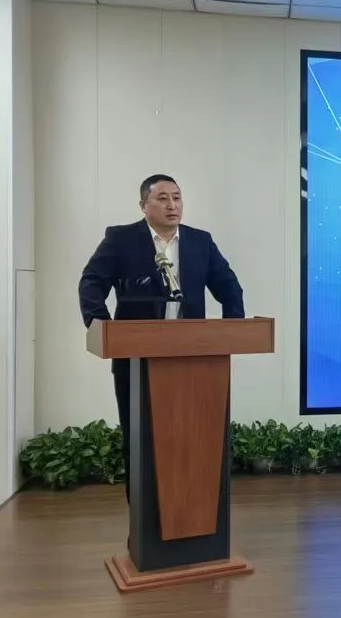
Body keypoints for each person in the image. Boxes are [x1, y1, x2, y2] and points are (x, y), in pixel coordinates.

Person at [78, 174, 245, 510]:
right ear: (144, 205)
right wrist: (104, 328)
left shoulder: (200, 242)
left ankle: (190, 517)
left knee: (191, 437)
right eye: (163, 198)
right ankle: (143, 522)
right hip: (136, 359)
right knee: (140, 440)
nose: (172, 205)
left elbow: (228, 285)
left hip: (192, 358)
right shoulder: (121, 239)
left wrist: (233, 328)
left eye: (177, 198)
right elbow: (91, 283)